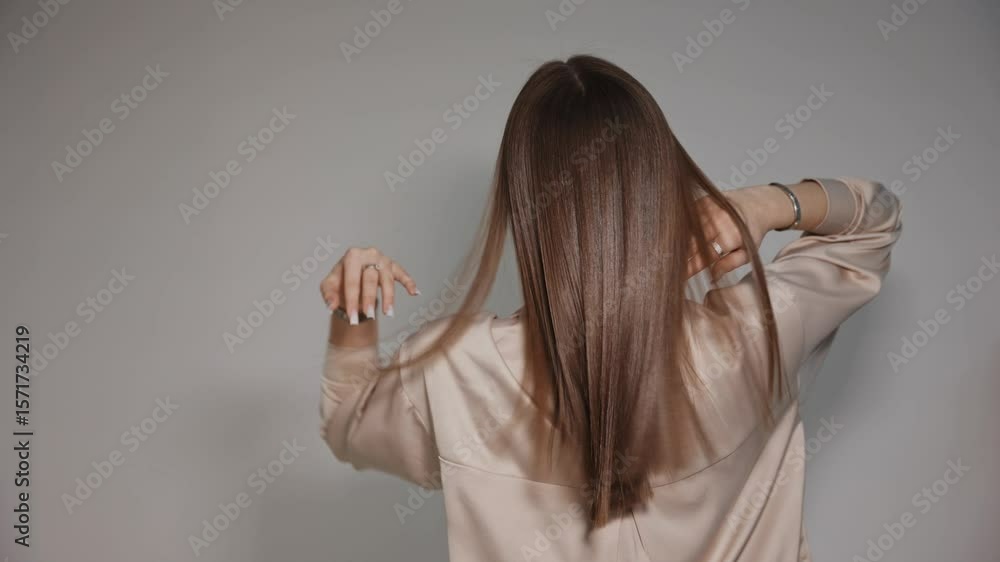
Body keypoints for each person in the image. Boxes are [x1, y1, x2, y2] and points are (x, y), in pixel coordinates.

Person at [317, 55, 902, 561]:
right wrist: (770, 203)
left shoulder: (452, 369)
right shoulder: (757, 332)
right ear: (661, 186)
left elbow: (348, 428)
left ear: (524, 205)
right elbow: (875, 221)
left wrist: (355, 313)